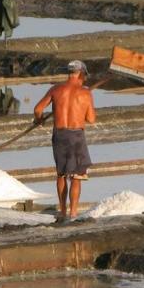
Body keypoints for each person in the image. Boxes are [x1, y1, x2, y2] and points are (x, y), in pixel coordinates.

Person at [33, 59, 96, 219]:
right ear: (81, 73)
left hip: (59, 135)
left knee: (61, 174)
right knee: (76, 175)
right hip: (76, 135)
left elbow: (38, 109)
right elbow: (91, 119)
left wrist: (39, 120)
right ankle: (73, 213)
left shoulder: (56, 89)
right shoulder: (86, 93)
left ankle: (62, 212)